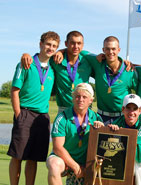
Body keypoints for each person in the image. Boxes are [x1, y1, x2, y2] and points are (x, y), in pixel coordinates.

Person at [7, 31, 60, 185]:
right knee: (18, 156)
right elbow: (14, 91)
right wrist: (18, 115)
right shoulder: (26, 63)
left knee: (33, 157)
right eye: (48, 44)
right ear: (41, 44)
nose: (50, 48)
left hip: (42, 117)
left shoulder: (53, 68)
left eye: (54, 46)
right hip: (25, 113)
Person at [21, 31, 93, 113]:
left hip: (85, 109)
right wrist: (26, 55)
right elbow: (42, 57)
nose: (76, 46)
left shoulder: (88, 60)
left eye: (79, 43)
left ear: (83, 45)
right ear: (66, 43)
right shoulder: (56, 60)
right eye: (72, 43)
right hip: (64, 109)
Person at [46, 83, 103, 185]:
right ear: (73, 98)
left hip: (87, 161)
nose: (80, 99)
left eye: (84, 97)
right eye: (77, 96)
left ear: (91, 100)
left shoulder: (97, 118)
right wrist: (76, 167)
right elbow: (57, 148)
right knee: (54, 165)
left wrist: (102, 129)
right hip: (64, 160)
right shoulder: (62, 118)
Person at [95, 94, 141, 185]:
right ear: (123, 109)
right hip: (125, 161)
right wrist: (104, 129)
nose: (131, 112)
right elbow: (106, 143)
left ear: (140, 110)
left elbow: (135, 141)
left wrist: (119, 135)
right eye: (128, 108)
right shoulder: (117, 122)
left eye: (135, 109)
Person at [84, 36, 137, 125]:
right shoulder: (98, 62)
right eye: (107, 49)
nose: (110, 52)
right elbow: (80, 51)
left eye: (113, 49)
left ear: (119, 50)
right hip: (101, 117)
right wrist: (61, 52)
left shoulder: (129, 71)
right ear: (103, 50)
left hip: (122, 118)